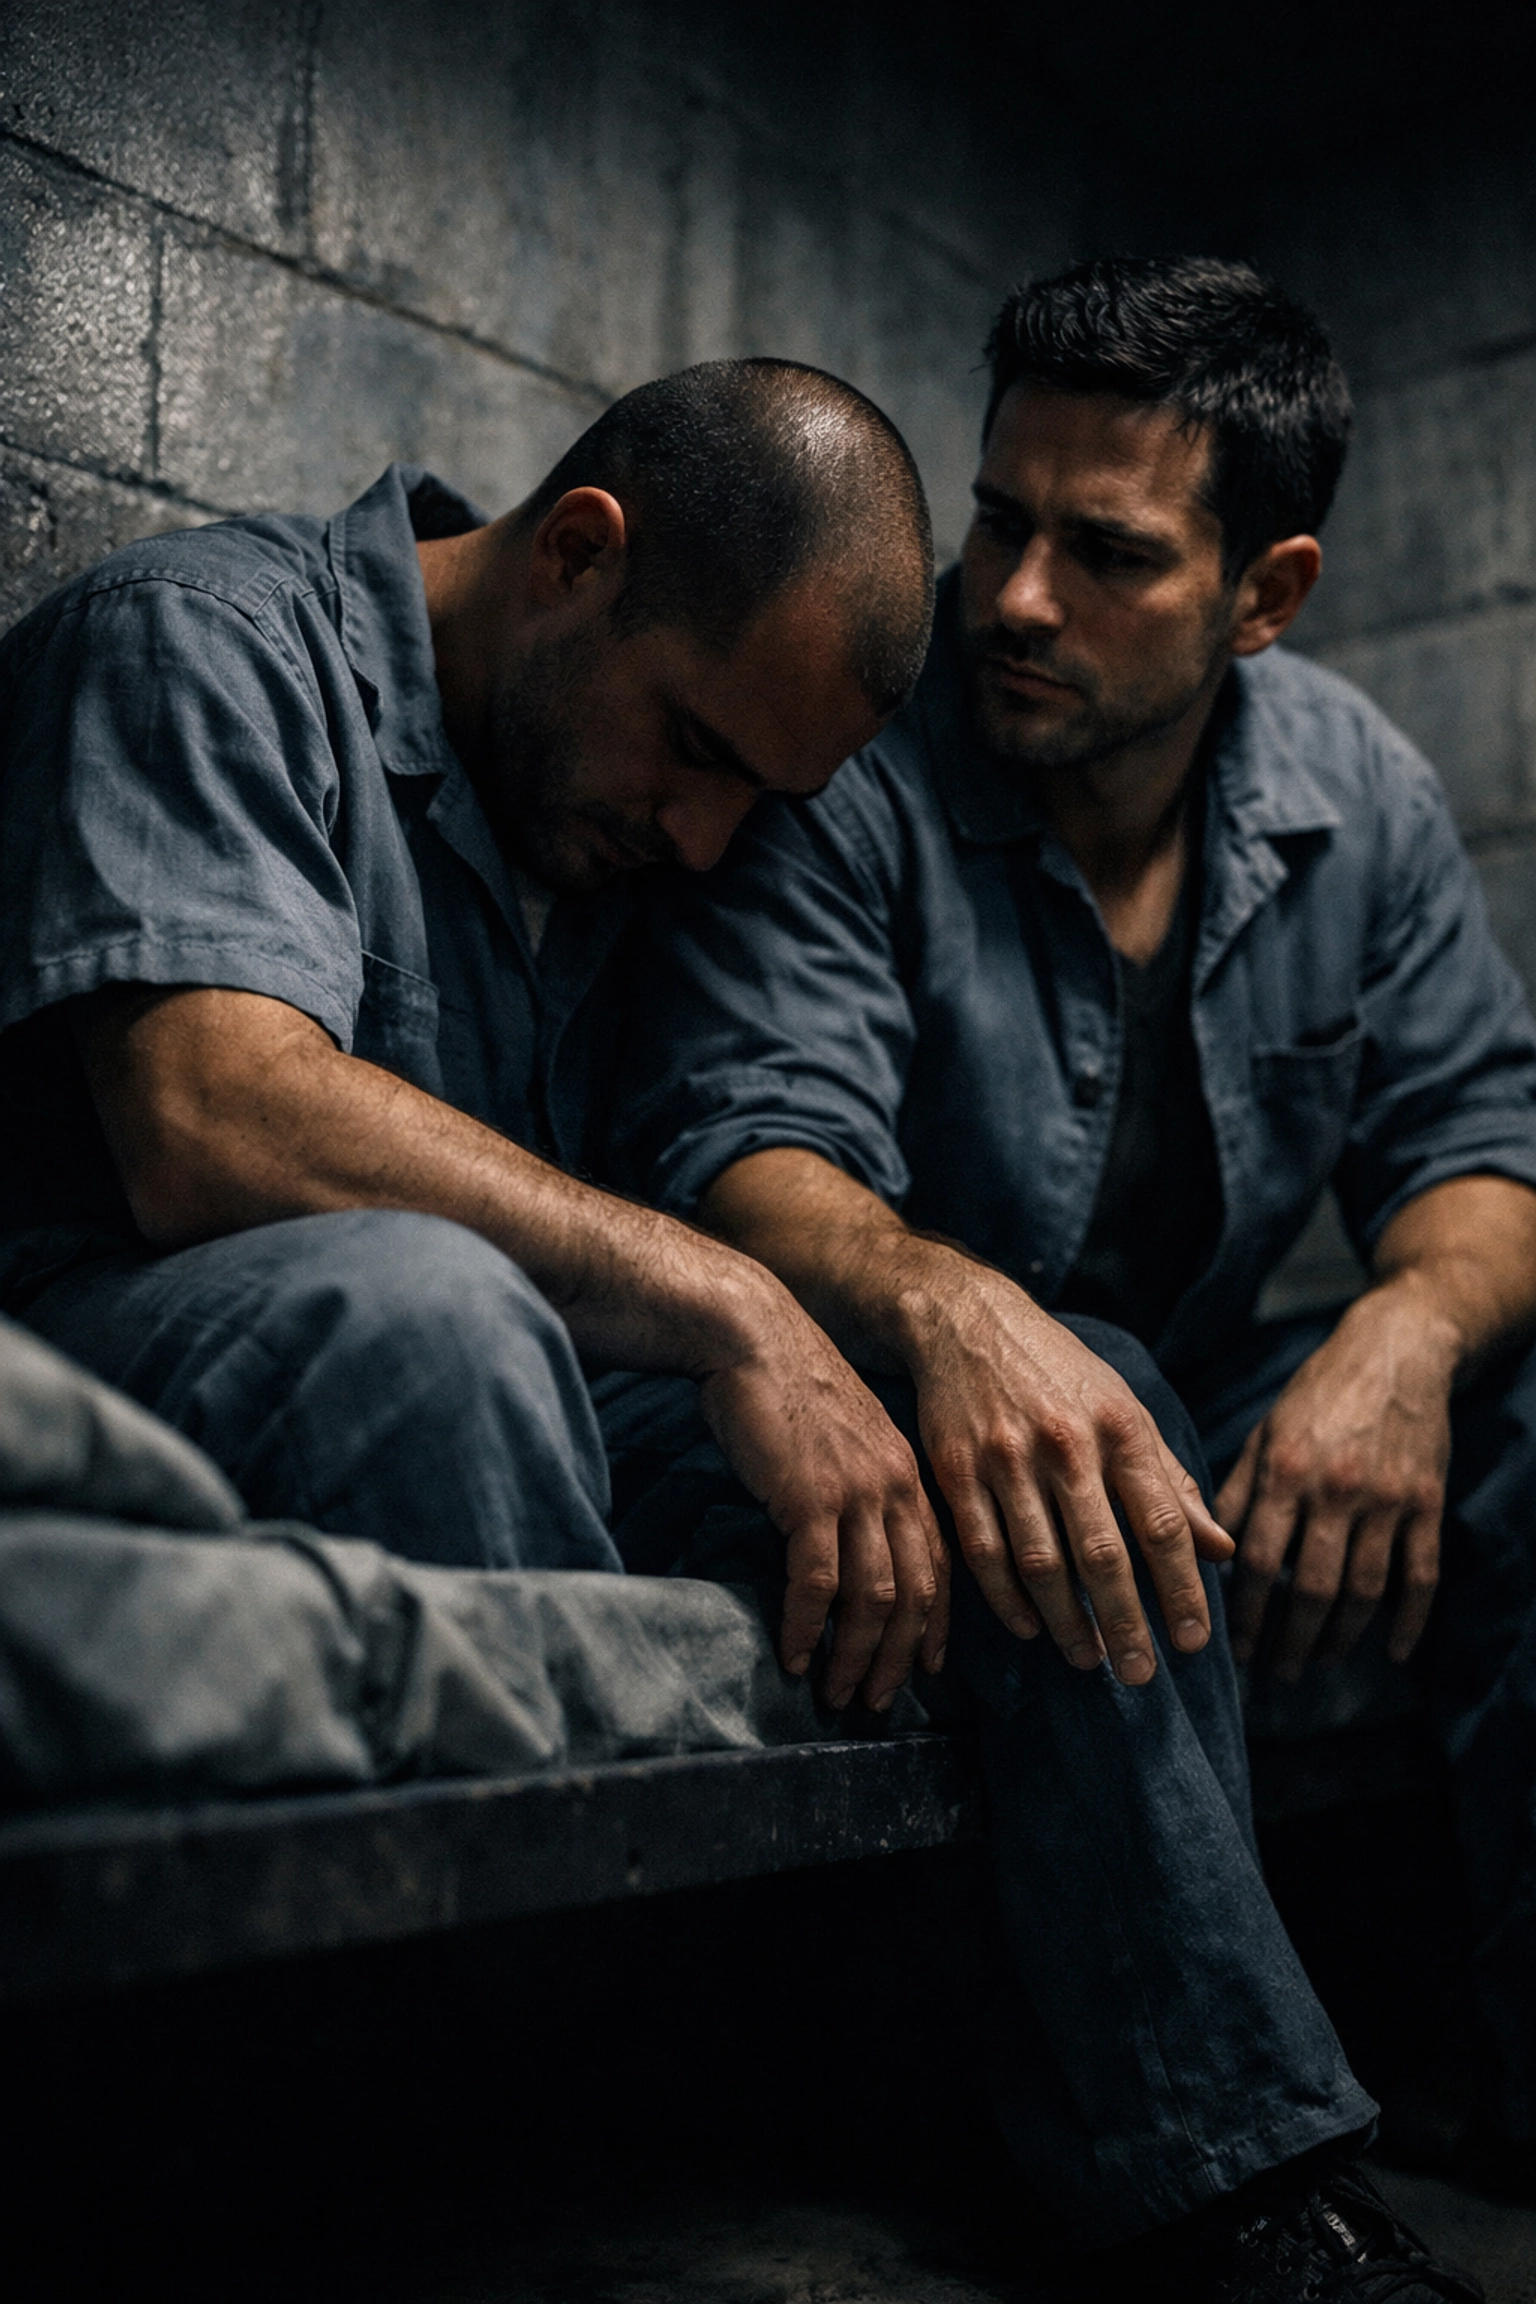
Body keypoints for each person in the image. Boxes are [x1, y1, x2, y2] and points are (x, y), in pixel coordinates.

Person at [0, 353, 1469, 2302]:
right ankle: (509, 2181)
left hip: (530, 1379)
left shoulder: (595, 815)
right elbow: (209, 1109)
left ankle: (1234, 2195)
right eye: (691, 753)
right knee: (436, 1314)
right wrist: (731, 1305)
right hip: (135, 1343)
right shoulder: (200, 639)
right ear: (578, 560)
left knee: (1070, 1398)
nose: (704, 842)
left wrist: (908, 1359)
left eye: (751, 800)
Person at [619, 257, 1536, 2206]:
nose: (1016, 598)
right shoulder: (864, 743)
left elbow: (1485, 1143)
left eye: (1104, 555)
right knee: (1085, 1387)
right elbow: (746, 1135)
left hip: (1175, 1392)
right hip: (892, 1402)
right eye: (1002, 522)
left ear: (1264, 596)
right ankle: (1241, 2189)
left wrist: (1406, 1340)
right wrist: (949, 1309)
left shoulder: (1356, 796)